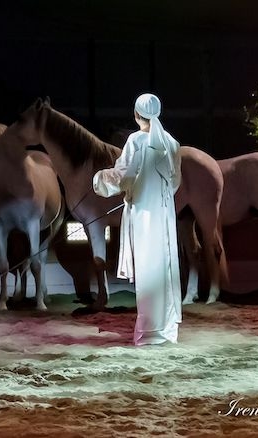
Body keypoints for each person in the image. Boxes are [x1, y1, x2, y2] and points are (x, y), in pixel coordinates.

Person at [92, 93, 182, 346]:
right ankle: (166, 329)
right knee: (164, 269)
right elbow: (174, 182)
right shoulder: (172, 143)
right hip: (164, 215)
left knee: (148, 269)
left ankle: (149, 331)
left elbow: (123, 177)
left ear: (136, 114)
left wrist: (99, 179)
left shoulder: (136, 140)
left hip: (144, 216)